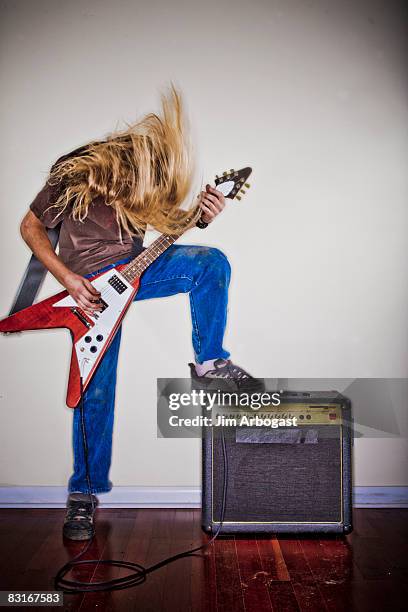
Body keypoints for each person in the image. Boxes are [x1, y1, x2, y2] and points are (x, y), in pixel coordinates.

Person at [19, 87, 264, 540]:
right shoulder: (75, 172)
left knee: (210, 261)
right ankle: (83, 495)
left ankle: (209, 362)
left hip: (134, 275)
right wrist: (68, 280)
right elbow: (30, 226)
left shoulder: (147, 179)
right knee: (95, 394)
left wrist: (203, 216)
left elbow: (169, 228)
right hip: (89, 290)